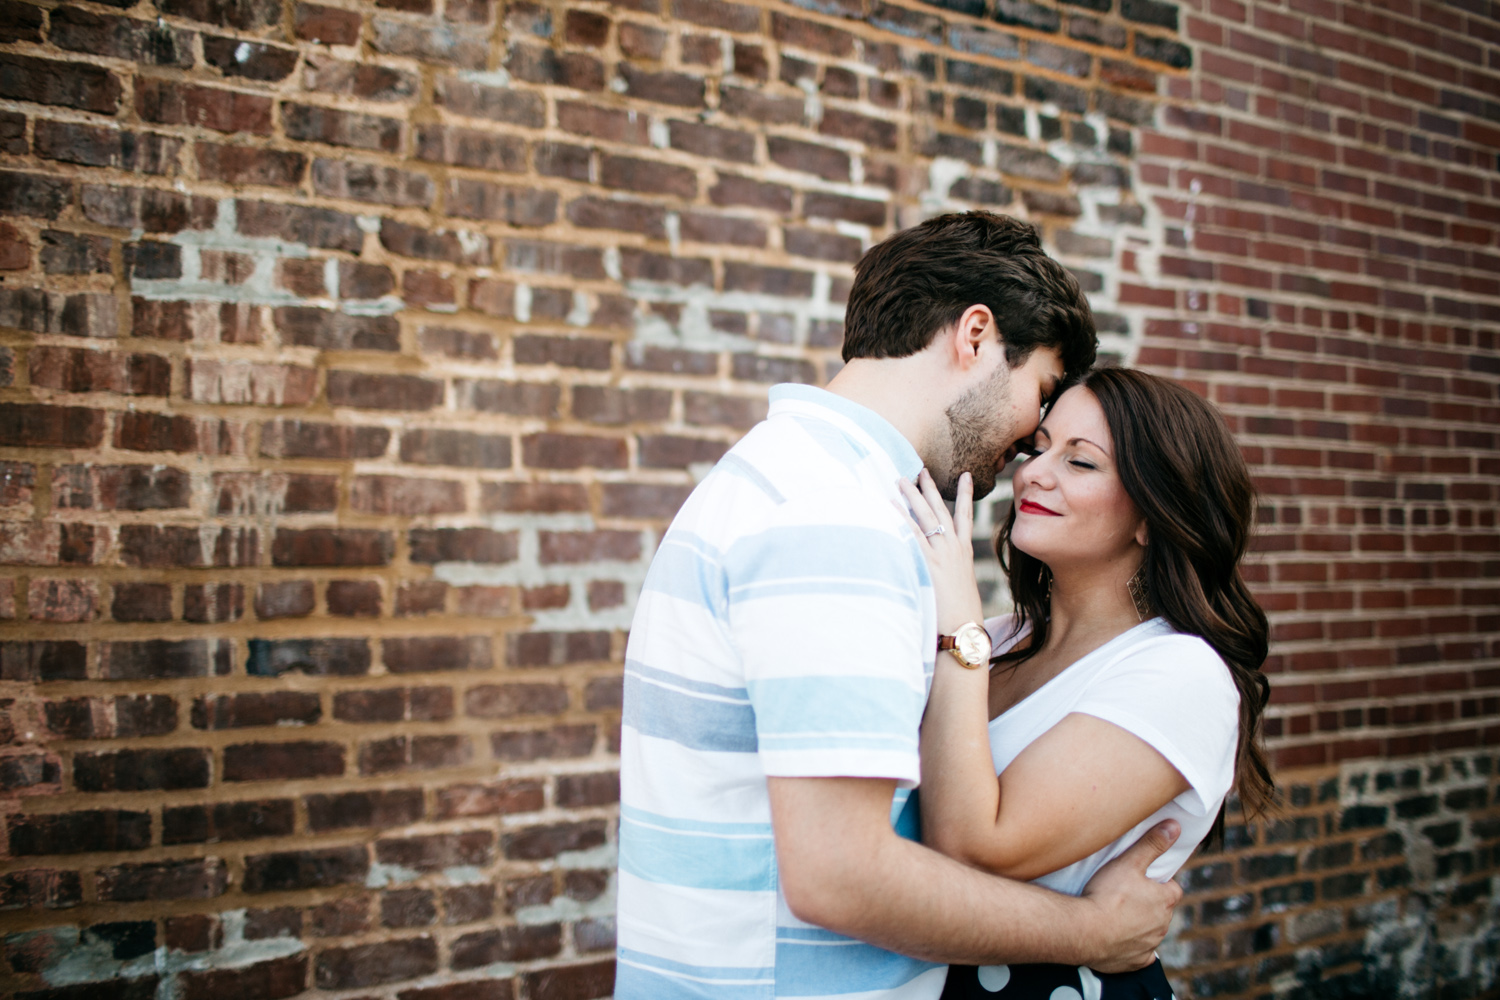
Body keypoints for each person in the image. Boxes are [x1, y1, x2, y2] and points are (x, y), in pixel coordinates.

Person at [615, 212, 1184, 999]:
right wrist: (1096, 934)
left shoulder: (787, 475)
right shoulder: (836, 518)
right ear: (975, 335)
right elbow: (840, 875)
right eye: (1040, 395)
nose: (1028, 446)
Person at [897, 366, 1273, 999]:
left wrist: (957, 629)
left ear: (1153, 515)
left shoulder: (1180, 675)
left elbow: (970, 848)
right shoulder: (994, 639)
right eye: (1039, 448)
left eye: (1082, 463)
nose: (1034, 474)